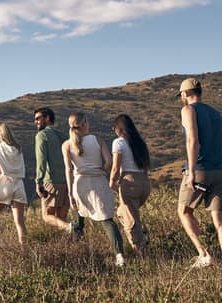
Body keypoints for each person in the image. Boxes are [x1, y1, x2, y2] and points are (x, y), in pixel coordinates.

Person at [176, 78, 222, 269]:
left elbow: (193, 140)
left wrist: (191, 172)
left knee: (184, 211)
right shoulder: (216, 114)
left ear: (185, 94)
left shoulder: (188, 110)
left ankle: (204, 254)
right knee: (221, 220)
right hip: (220, 170)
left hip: (199, 170)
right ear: (200, 91)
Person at [62, 112, 126, 267]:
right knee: (106, 219)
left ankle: (78, 256)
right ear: (84, 124)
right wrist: (101, 170)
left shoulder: (66, 144)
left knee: (78, 221)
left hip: (79, 184)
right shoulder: (97, 139)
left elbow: (68, 169)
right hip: (98, 182)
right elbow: (109, 161)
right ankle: (120, 255)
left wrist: (70, 193)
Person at [109, 114, 151, 256]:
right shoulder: (140, 142)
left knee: (130, 220)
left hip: (129, 181)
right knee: (123, 213)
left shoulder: (118, 143)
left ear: (118, 128)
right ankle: (142, 234)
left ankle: (140, 250)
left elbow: (116, 167)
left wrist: (112, 182)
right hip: (144, 182)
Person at [34, 107, 81, 236]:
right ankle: (67, 246)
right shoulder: (63, 136)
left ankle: (70, 228)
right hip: (67, 182)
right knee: (61, 218)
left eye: (38, 118)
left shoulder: (41, 136)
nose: (36, 122)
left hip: (51, 182)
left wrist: (38, 182)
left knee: (47, 216)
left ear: (47, 118)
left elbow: (41, 161)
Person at [0, 123, 27, 255]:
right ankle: (24, 250)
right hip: (19, 184)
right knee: (19, 221)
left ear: (0, 135)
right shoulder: (18, 148)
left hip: (5, 183)